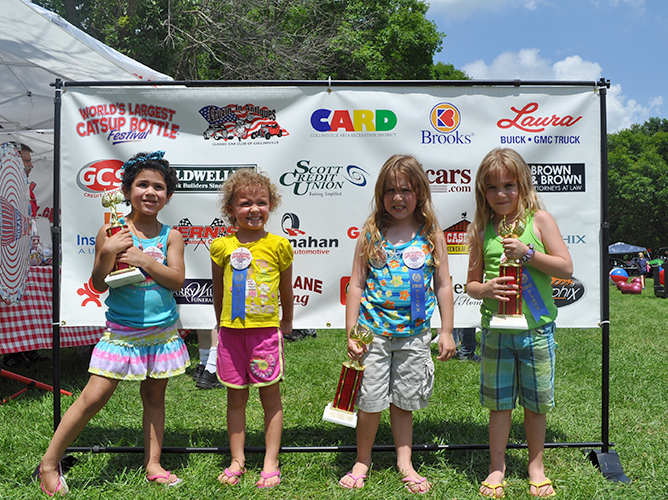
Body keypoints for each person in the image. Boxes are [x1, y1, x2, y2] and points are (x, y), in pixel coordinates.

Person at [38, 151, 189, 495]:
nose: (150, 192)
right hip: (122, 333)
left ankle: (153, 464)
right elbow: (98, 283)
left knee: (154, 397)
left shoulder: (171, 236)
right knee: (93, 397)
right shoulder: (111, 229)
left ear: (168, 195)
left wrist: (141, 259)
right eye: (142, 185)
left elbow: (176, 280)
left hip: (162, 334)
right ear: (127, 190)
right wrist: (109, 253)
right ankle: (50, 462)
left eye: (159, 187)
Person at [340, 154, 456, 493]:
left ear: (419, 192)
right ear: (380, 194)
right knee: (370, 399)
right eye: (390, 190)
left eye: (405, 189)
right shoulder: (371, 232)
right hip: (371, 333)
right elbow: (356, 284)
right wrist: (352, 333)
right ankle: (363, 459)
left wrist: (446, 330)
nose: (398, 197)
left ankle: (405, 461)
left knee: (405, 400)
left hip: (415, 335)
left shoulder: (431, 232)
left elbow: (444, 284)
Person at [465, 148, 572, 498]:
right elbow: (471, 284)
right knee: (499, 402)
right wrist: (487, 288)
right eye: (492, 187)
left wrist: (528, 254)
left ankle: (535, 467)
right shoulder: (482, 229)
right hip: (496, 330)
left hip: (536, 330)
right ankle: (497, 467)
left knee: (536, 403)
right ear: (483, 191)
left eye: (509, 185)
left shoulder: (540, 220)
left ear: (523, 185)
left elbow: (565, 268)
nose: (501, 194)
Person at [210, 169, 293, 488]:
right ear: (230, 209)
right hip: (231, 335)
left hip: (265, 335)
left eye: (261, 202)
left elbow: (287, 289)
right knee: (235, 399)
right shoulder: (221, 246)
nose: (254, 209)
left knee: (270, 398)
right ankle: (237, 460)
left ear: (271, 205)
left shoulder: (280, 245)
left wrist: (286, 321)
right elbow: (218, 290)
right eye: (245, 203)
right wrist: (220, 323)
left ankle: (270, 462)